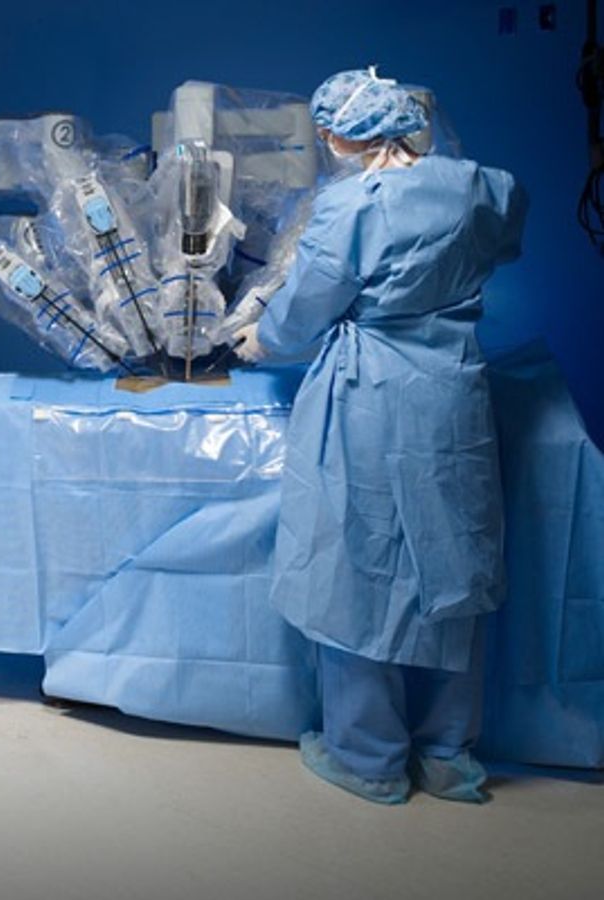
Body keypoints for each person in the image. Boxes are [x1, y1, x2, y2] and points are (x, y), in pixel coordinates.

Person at [233, 68, 528, 804]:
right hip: (452, 390)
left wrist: (258, 340)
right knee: (452, 568)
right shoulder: (478, 184)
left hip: (371, 394)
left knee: (358, 572)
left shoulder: (348, 204)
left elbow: (305, 308)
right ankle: (448, 756)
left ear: (338, 135)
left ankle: (368, 758)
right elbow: (500, 240)